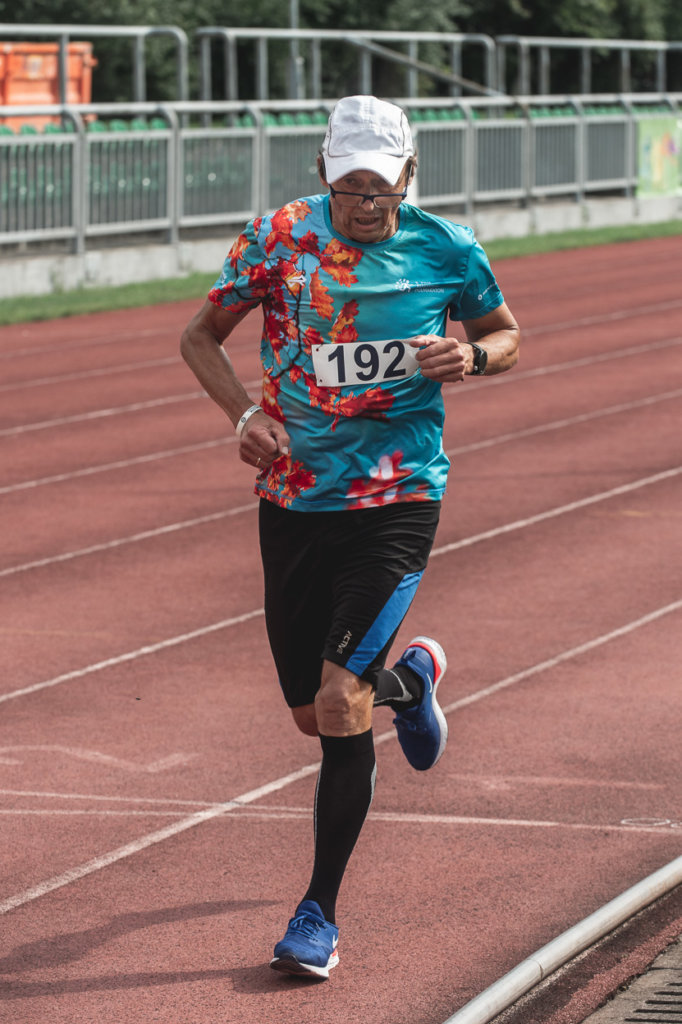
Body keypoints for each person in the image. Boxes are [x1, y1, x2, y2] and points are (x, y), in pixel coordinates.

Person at [180, 94, 520, 980]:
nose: (365, 203)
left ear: (410, 175)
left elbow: (504, 333)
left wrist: (473, 357)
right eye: (349, 185)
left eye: (381, 186)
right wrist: (244, 415)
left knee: (338, 703)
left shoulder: (448, 248)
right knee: (312, 714)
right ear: (322, 173)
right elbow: (200, 337)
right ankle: (411, 684)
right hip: (295, 501)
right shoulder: (276, 240)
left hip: (398, 499)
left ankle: (317, 917)